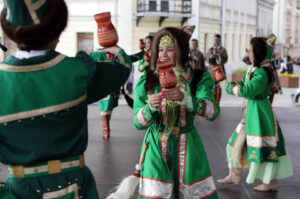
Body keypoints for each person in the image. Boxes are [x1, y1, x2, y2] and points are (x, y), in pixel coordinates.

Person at [0, 0, 132, 198]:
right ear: (57, 30)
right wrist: (115, 50)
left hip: (20, 191)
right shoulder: (77, 72)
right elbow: (120, 69)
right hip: (76, 188)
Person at [133, 26, 220, 198]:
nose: (163, 55)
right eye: (160, 50)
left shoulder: (197, 79)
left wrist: (186, 98)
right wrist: (150, 107)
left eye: (170, 50)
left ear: (182, 52)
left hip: (188, 146)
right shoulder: (147, 80)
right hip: (156, 147)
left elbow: (212, 112)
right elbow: (138, 122)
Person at [218, 36, 293, 192]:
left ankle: (270, 182)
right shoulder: (256, 70)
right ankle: (234, 174)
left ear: (259, 53)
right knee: (233, 144)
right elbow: (245, 84)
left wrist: (226, 85)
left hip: (259, 114)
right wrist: (232, 83)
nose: (249, 53)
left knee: (264, 149)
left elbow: (247, 91)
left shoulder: (262, 73)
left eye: (252, 51)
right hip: (251, 113)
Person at [207, 34, 228, 104]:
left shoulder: (223, 50)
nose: (216, 41)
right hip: (212, 71)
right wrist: (210, 57)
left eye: (217, 40)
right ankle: (213, 103)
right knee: (212, 88)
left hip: (220, 71)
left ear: (220, 41)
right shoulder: (210, 49)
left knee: (219, 87)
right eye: (215, 40)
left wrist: (217, 56)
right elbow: (206, 58)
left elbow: (225, 59)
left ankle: (217, 103)